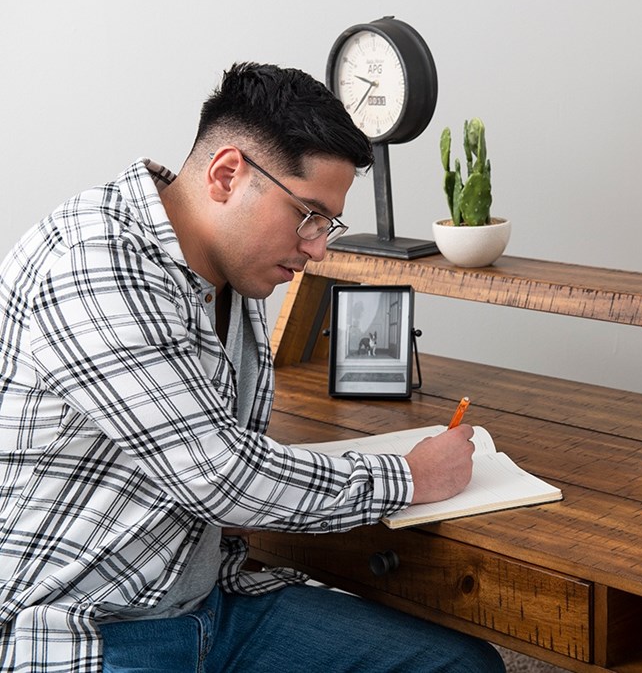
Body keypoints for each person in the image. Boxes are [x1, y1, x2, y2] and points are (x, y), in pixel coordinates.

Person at [0, 62, 505, 672]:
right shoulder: (91, 265)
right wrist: (409, 476)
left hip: (218, 603)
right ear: (227, 175)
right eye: (309, 215)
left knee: (458, 665)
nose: (319, 247)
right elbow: (219, 478)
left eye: (329, 225)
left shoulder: (230, 270)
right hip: (94, 632)